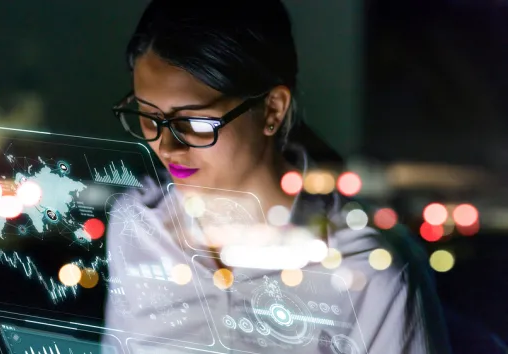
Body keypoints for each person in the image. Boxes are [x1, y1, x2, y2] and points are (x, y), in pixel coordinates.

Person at [102, 1, 452, 353]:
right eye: (148, 117)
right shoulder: (136, 228)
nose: (166, 147)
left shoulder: (367, 272)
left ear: (272, 109)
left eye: (194, 122)